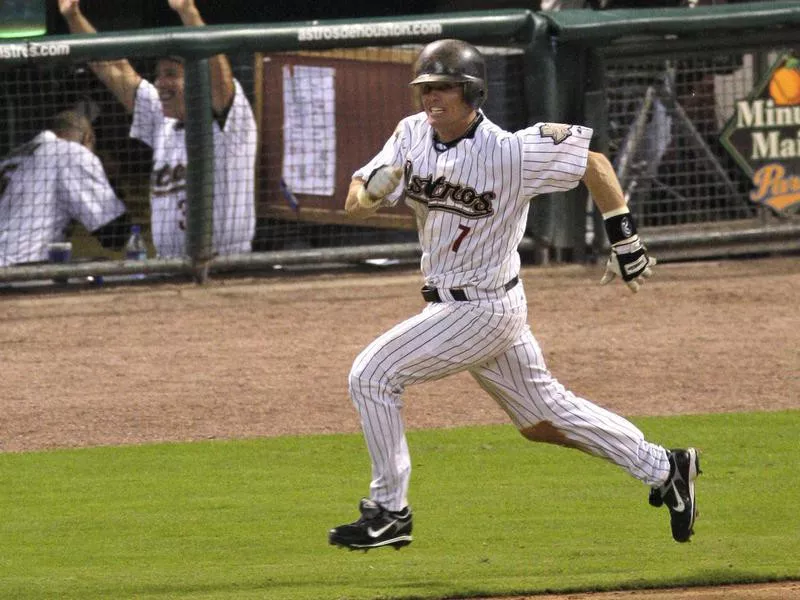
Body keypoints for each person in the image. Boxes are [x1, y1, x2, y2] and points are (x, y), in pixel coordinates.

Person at [328, 39, 701, 552]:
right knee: (543, 418)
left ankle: (389, 512)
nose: (431, 99)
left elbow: (595, 165)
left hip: (482, 307)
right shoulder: (410, 134)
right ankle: (665, 466)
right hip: (458, 306)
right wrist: (368, 198)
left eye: (443, 89)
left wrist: (625, 237)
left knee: (372, 375)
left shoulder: (512, 151)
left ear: (472, 92)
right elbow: (353, 201)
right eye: (425, 89)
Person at [58, 0, 257, 259]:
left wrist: (188, 12)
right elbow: (111, 67)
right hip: (170, 267)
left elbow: (216, 70)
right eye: (159, 75)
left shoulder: (230, 120)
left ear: (198, 79)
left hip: (226, 267)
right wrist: (73, 16)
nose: (160, 83)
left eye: (171, 74)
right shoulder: (163, 120)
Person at [0, 110, 129, 267]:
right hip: (17, 270)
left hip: (9, 263)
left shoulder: (13, 156)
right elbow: (115, 236)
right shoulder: (70, 153)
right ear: (88, 137)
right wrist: (112, 180)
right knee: (104, 268)